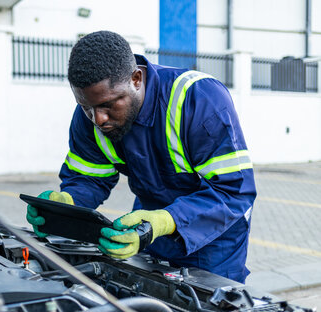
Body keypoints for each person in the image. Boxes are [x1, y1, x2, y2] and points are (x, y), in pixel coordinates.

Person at [26, 31, 256, 283]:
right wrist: (67, 204)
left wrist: (164, 221)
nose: (98, 119)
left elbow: (233, 192)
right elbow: (89, 178)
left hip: (213, 239)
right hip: (147, 229)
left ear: (136, 79)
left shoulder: (198, 98)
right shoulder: (90, 114)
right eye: (86, 106)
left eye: (109, 104)